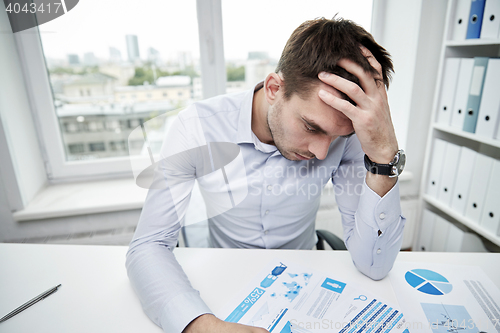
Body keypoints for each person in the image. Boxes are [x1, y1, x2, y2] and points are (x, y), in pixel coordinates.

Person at [126, 16, 406, 333]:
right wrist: (201, 327)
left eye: (337, 137)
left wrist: (384, 155)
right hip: (221, 285)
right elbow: (148, 246)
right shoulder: (197, 127)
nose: (321, 153)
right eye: (311, 127)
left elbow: (375, 264)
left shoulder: (348, 136)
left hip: (305, 284)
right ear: (274, 88)